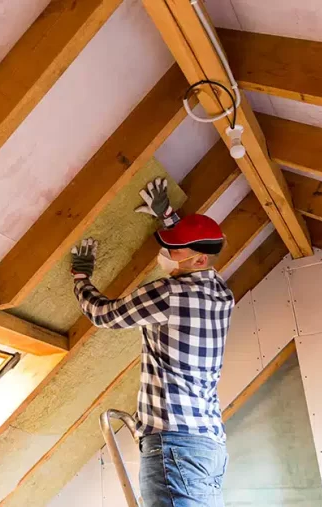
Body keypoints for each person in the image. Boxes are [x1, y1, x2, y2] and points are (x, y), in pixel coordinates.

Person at [70, 178, 234, 507]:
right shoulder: (222, 294)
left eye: (174, 249)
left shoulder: (169, 294)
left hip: (175, 447)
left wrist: (80, 278)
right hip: (207, 446)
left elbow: (104, 315)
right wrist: (169, 218)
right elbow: (194, 249)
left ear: (199, 261)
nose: (166, 253)